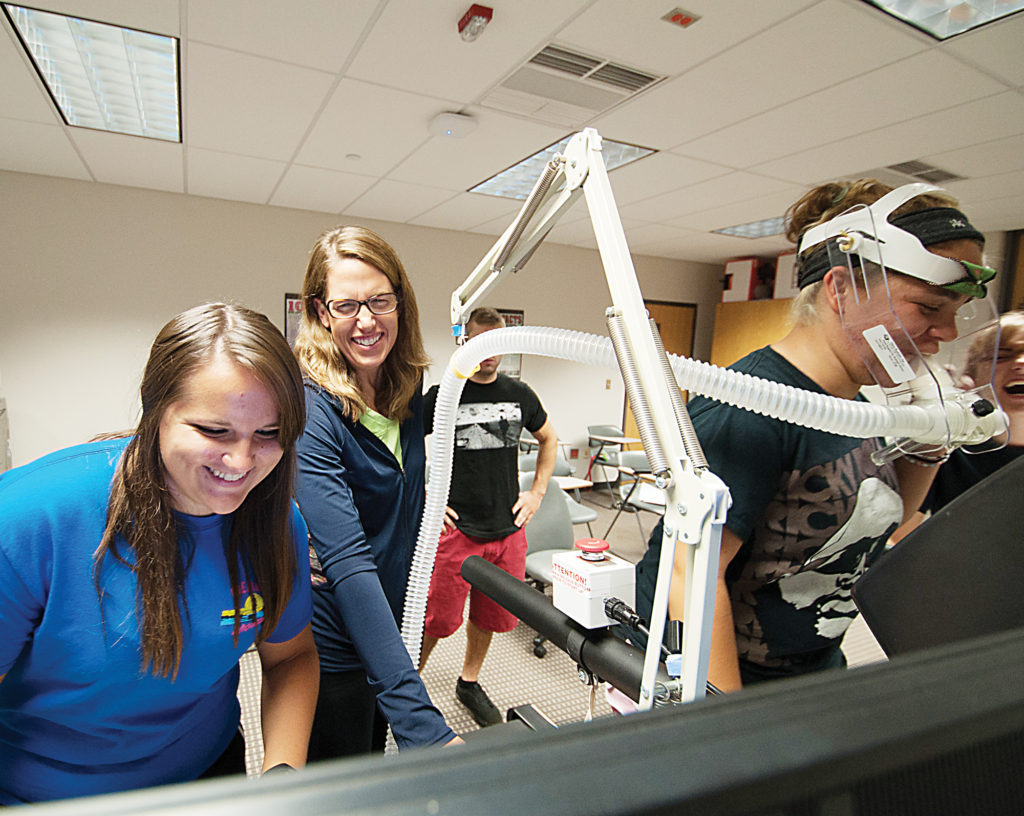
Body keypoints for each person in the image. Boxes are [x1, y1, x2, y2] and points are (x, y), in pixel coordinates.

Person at [631, 179, 994, 690]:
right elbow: (690, 576)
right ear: (840, 290)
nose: (948, 333)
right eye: (930, 309)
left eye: (955, 314)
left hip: (811, 669)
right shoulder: (751, 405)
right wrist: (721, 725)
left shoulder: (858, 407)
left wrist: (934, 433)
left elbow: (885, 518)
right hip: (727, 678)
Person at [0, 303, 318, 804]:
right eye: (214, 431)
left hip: (205, 774)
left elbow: (291, 657)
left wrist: (282, 779)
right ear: (154, 407)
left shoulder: (273, 521)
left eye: (268, 434)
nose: (241, 462)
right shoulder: (28, 520)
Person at [292, 225, 458, 758]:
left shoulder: (402, 390)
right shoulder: (312, 411)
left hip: (392, 620)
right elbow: (346, 558)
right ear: (321, 313)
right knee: (341, 778)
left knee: (373, 757)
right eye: (346, 306)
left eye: (379, 301)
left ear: (400, 304)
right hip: (337, 634)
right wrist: (420, 720)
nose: (366, 321)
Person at [418, 307, 559, 727]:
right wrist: (426, 496)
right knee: (436, 621)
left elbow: (549, 438)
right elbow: (402, 447)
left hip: (508, 529)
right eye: (481, 344)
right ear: (465, 342)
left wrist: (537, 493)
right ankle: (407, 687)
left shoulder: (521, 394)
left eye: (497, 345)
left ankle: (469, 680)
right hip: (457, 530)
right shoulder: (444, 396)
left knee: (490, 617)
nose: (489, 355)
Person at [892, 309, 1024, 538]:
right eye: (1001, 356)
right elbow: (896, 533)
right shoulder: (950, 450)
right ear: (971, 379)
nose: (1021, 363)